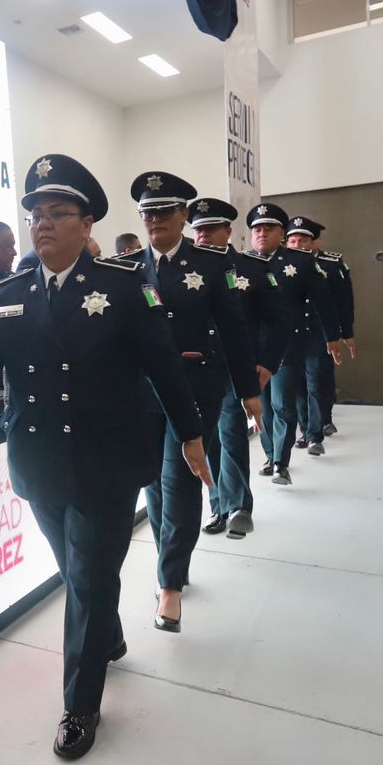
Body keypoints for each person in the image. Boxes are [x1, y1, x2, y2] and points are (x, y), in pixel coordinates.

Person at [0, 153, 208, 761]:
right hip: (39, 459)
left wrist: (190, 434)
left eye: (57, 213)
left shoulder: (124, 288)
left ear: (86, 224)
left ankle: (81, 704)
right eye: (36, 216)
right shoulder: (12, 292)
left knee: (88, 576)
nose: (43, 224)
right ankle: (108, 636)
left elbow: (164, 368)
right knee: (76, 570)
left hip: (105, 460)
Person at [130, 173, 260, 631]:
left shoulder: (210, 264)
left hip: (195, 388)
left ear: (184, 215)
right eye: (147, 213)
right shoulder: (125, 268)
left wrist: (248, 389)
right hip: (142, 393)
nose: (155, 220)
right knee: (152, 480)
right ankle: (171, 561)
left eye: (164, 211)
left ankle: (170, 584)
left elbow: (234, 330)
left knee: (181, 477)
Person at [191, 198, 287, 539]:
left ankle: (238, 506)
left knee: (231, 434)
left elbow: (278, 320)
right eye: (198, 230)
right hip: (198, 370)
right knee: (208, 441)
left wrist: (267, 363)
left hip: (236, 367)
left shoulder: (252, 267)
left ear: (227, 231)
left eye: (210, 229)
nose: (203, 236)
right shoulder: (185, 271)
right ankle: (218, 505)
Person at [246, 203, 343, 486]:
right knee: (262, 407)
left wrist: (333, 337)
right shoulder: (241, 263)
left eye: (269, 228)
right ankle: (269, 454)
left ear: (282, 233)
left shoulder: (299, 261)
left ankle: (281, 461)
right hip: (252, 348)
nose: (262, 233)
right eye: (257, 229)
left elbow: (323, 300)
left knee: (282, 405)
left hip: (287, 346)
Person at [285, 216, 353, 454]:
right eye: (292, 241)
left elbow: (343, 301)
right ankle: (306, 430)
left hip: (320, 333)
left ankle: (315, 435)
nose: (297, 245)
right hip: (291, 335)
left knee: (316, 382)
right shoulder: (281, 264)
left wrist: (345, 331)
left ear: (315, 242)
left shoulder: (330, 264)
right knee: (297, 387)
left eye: (302, 240)